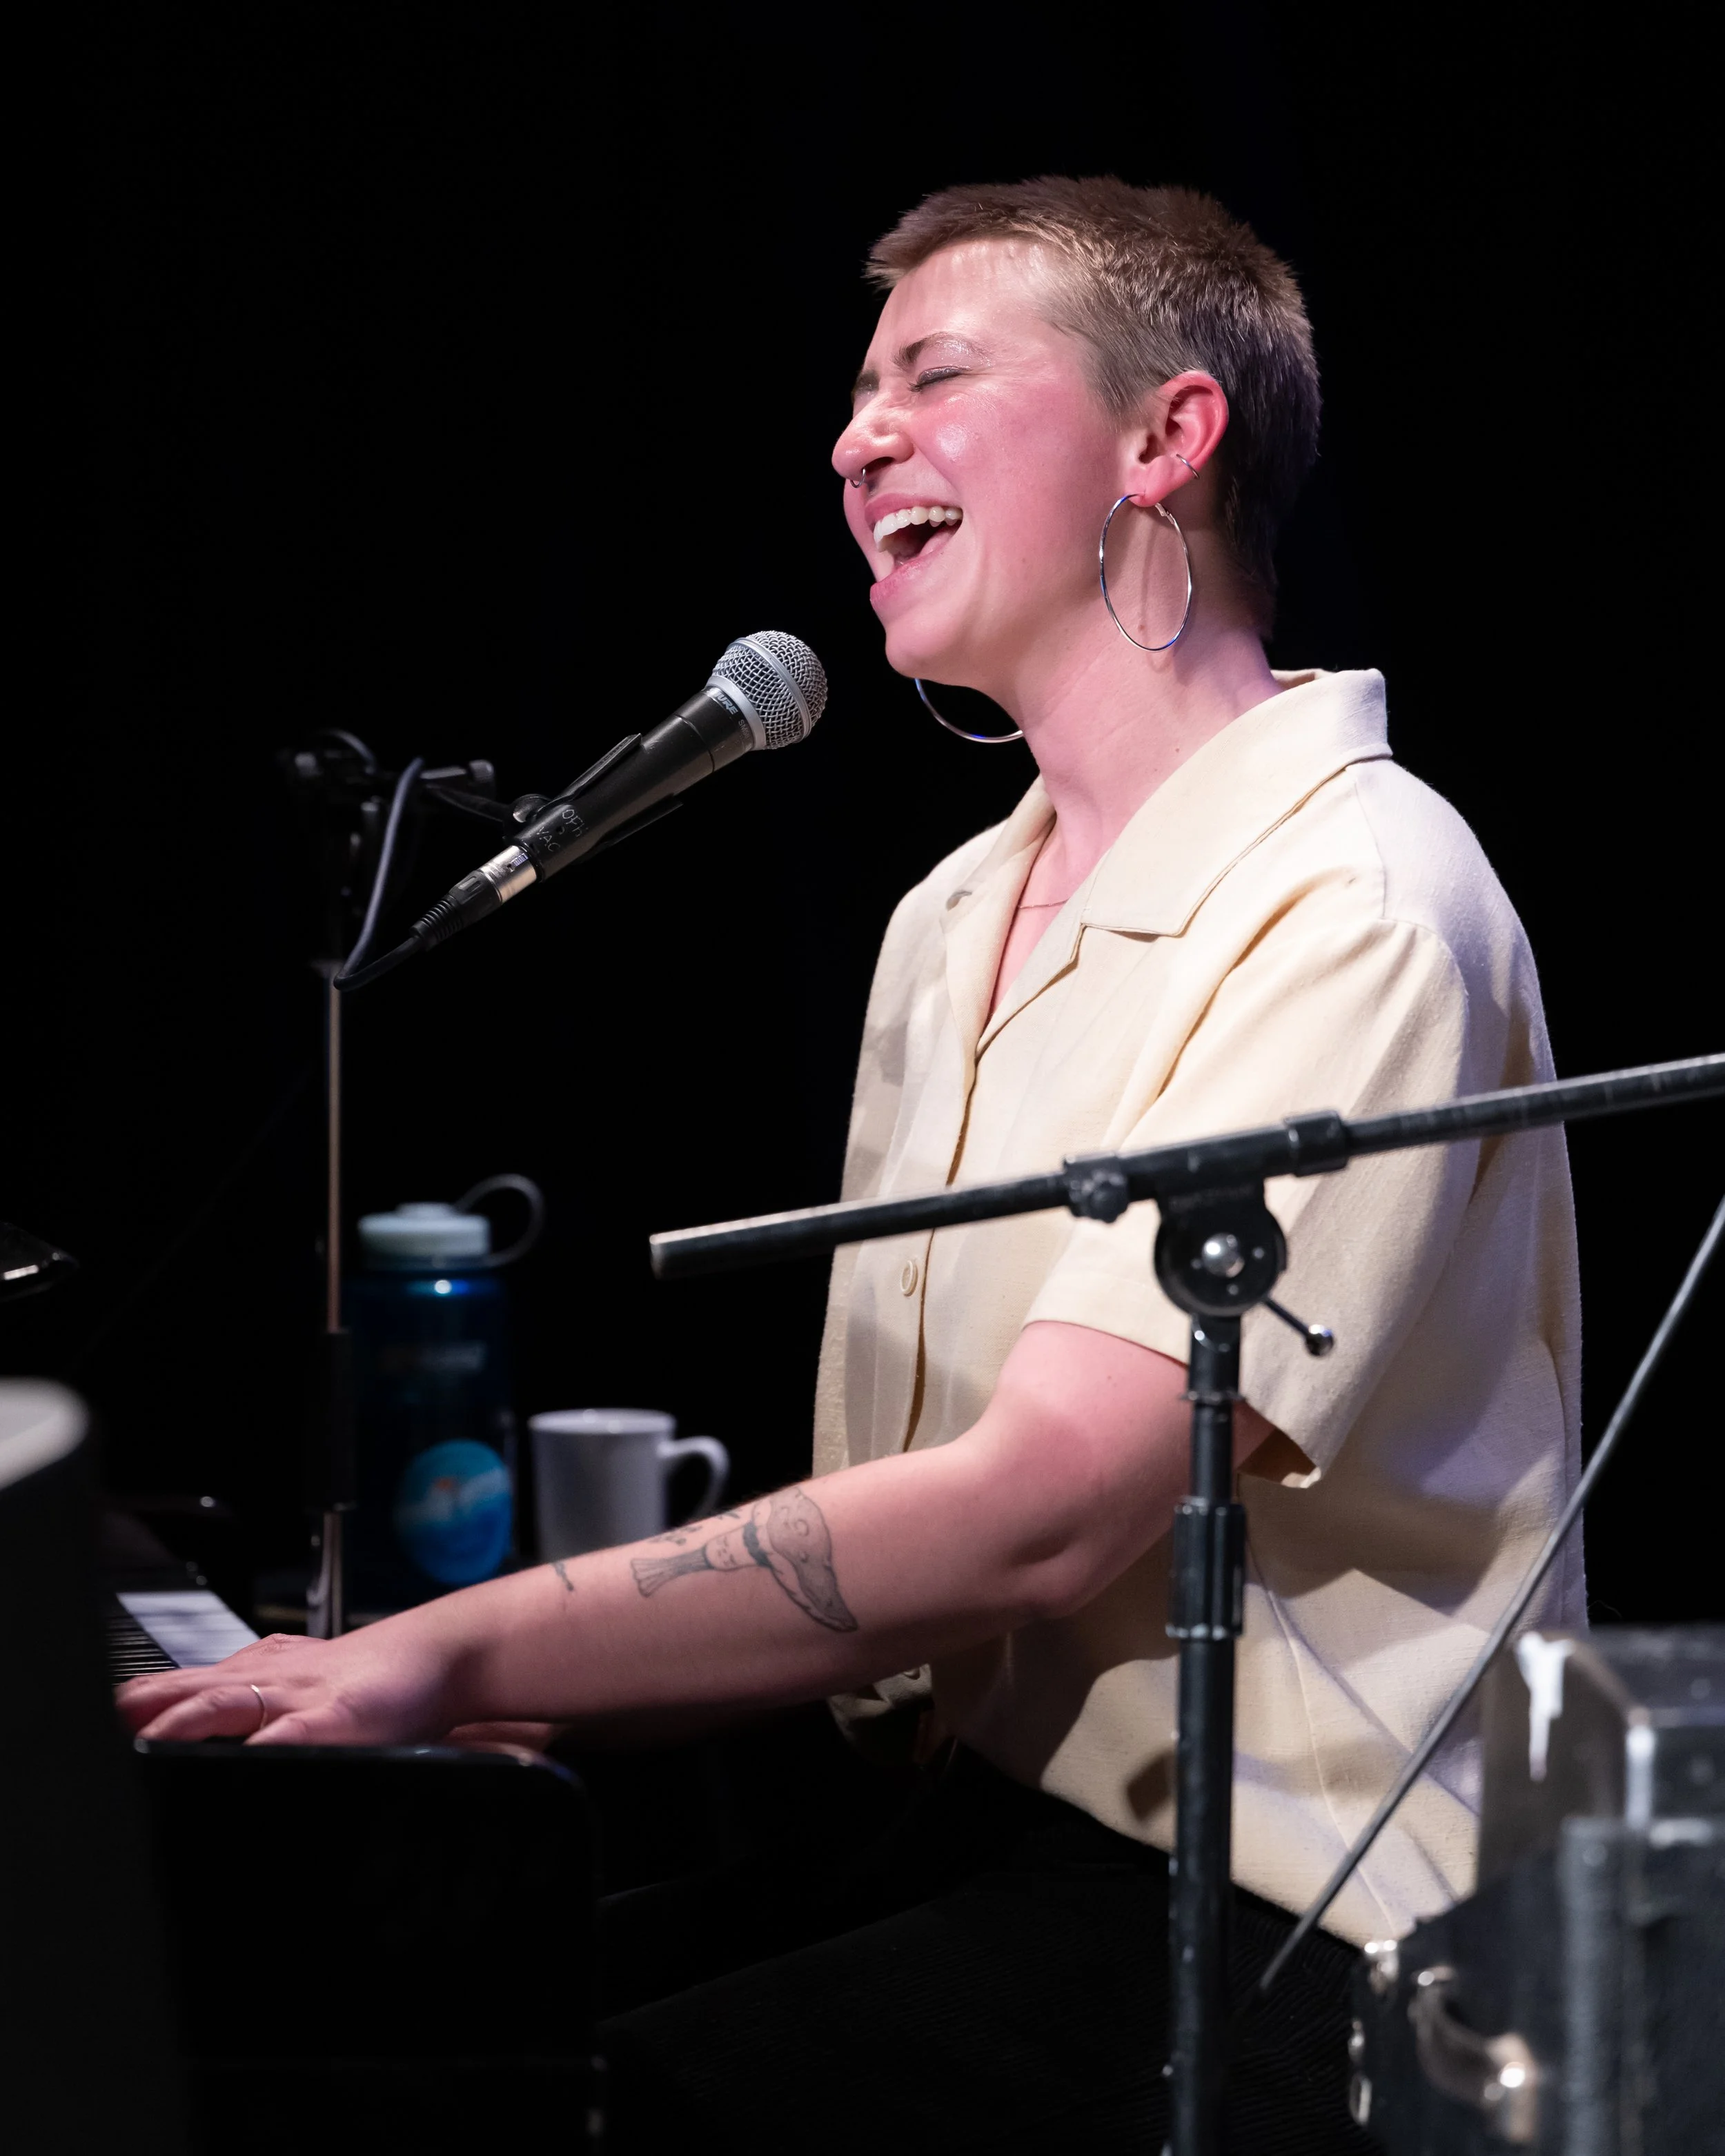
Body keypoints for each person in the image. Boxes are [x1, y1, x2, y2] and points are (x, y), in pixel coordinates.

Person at [117, 177, 1581, 2150]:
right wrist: (545, 1681)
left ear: (1164, 438)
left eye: (934, 374)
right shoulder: (950, 914)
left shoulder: (1357, 895)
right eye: (854, 391)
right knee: (336, 2024)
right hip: (965, 1830)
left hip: (1297, 1915)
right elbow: (906, 1572)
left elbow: (1038, 1510)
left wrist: (458, 1638)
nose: (853, 435)